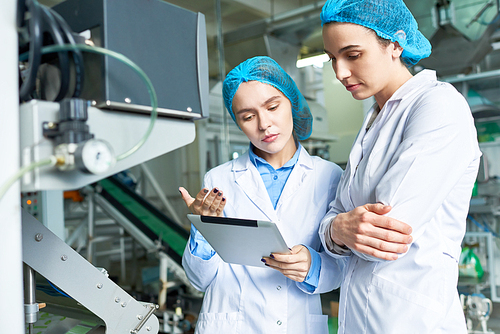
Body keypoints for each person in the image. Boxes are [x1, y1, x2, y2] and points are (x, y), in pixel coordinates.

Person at [318, 0, 482, 333]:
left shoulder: (439, 105)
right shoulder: (373, 122)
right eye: (332, 59)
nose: (340, 73)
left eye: (352, 55)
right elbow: (337, 220)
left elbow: (386, 229)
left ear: (395, 43)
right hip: (362, 317)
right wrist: (337, 228)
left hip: (413, 320)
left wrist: (338, 227)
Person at [180, 56, 346, 334]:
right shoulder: (219, 180)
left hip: (297, 322)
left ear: (291, 102)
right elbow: (198, 279)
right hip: (231, 325)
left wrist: (312, 267)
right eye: (248, 116)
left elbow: (342, 268)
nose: (264, 124)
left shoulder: (330, 177)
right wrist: (203, 229)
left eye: (272, 106)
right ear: (238, 122)